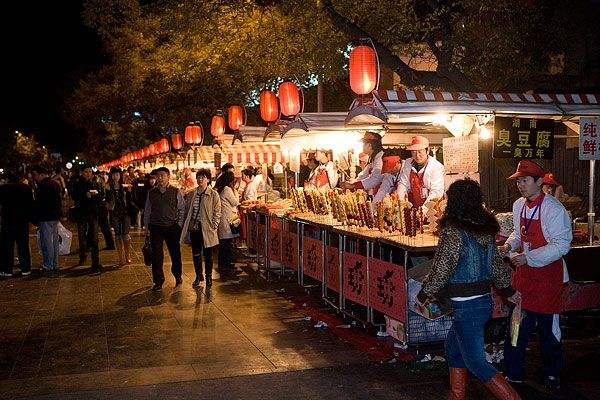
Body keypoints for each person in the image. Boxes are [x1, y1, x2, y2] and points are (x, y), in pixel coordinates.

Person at [416, 178, 521, 400]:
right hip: (481, 302)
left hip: (467, 307)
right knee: (453, 351)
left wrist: (426, 292)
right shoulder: (484, 229)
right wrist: (509, 291)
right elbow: (496, 265)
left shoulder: (453, 230)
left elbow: (443, 265)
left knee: (476, 363)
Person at [500, 160, 572, 391]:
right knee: (516, 327)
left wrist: (529, 258)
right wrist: (509, 246)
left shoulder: (554, 209)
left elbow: (562, 245)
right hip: (524, 277)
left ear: (540, 182)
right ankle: (513, 373)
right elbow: (518, 233)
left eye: (525, 180)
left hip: (548, 280)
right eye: (518, 181)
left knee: (548, 331)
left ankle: (552, 374)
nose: (520, 185)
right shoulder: (518, 205)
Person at [144, 167, 185, 290]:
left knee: (175, 253)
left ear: (168, 177)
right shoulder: (151, 193)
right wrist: (147, 227)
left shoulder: (176, 191)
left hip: (172, 227)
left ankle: (177, 275)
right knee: (157, 256)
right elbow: (147, 211)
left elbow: (182, 209)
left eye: (162, 175)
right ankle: (158, 281)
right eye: (158, 176)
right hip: (155, 227)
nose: (160, 178)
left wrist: (179, 224)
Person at [181, 169, 221, 287]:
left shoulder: (213, 194)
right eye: (198, 177)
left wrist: (214, 225)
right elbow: (188, 210)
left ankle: (208, 276)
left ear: (208, 179)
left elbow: (217, 211)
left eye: (203, 177)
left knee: (208, 254)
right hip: (195, 227)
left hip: (207, 228)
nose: (200, 179)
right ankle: (198, 275)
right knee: (196, 253)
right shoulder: (192, 193)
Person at [396, 135, 445, 209]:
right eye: (413, 152)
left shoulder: (436, 167)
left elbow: (436, 192)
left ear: (427, 151)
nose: (417, 155)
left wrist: (424, 210)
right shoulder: (408, 163)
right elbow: (403, 184)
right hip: (415, 205)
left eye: (420, 151)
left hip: (432, 208)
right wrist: (399, 202)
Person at [72, 165, 105, 272]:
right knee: (82, 237)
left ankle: (96, 262)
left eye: (90, 171)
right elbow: (74, 196)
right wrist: (84, 195)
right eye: (86, 172)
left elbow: (101, 196)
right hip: (81, 213)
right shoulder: (77, 183)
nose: (88, 173)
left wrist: (95, 196)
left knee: (94, 238)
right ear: (82, 172)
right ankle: (82, 256)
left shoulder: (96, 182)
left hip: (93, 213)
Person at [0, 171, 33, 277]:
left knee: (7, 246)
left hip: (8, 220)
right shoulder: (26, 188)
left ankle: (7, 269)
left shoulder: (3, 188)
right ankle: (26, 268)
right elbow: (30, 204)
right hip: (22, 220)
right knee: (23, 245)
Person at [31, 166, 63, 273]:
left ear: (41, 174)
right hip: (54, 217)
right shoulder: (55, 184)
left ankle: (48, 265)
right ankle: (55, 264)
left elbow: (39, 204)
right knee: (54, 242)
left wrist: (36, 219)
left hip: (45, 217)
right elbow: (59, 200)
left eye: (36, 175)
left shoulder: (41, 186)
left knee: (47, 241)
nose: (35, 177)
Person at [340, 131, 385, 196]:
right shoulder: (373, 159)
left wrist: (352, 185)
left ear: (369, 145)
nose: (362, 146)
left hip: (385, 194)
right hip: (377, 194)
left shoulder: (380, 158)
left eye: (364, 144)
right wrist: (351, 183)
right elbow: (363, 175)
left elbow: (375, 179)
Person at [106, 167, 134, 265]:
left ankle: (128, 255)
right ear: (111, 175)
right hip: (114, 213)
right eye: (113, 174)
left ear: (120, 175)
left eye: (117, 174)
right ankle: (120, 257)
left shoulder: (124, 186)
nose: (115, 177)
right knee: (118, 235)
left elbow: (130, 200)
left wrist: (130, 192)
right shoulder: (108, 186)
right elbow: (107, 200)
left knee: (126, 234)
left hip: (125, 212)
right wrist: (108, 191)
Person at [214, 171, 239, 278]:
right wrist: (236, 193)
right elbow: (235, 202)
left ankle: (224, 265)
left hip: (223, 218)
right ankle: (226, 266)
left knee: (224, 243)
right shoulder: (227, 189)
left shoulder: (220, 188)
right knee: (227, 243)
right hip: (227, 219)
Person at [96, 171, 116, 251]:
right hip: (99, 208)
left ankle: (110, 244)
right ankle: (110, 244)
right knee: (103, 227)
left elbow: (110, 197)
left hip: (103, 208)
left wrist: (108, 205)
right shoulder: (99, 186)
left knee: (105, 227)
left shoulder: (106, 187)